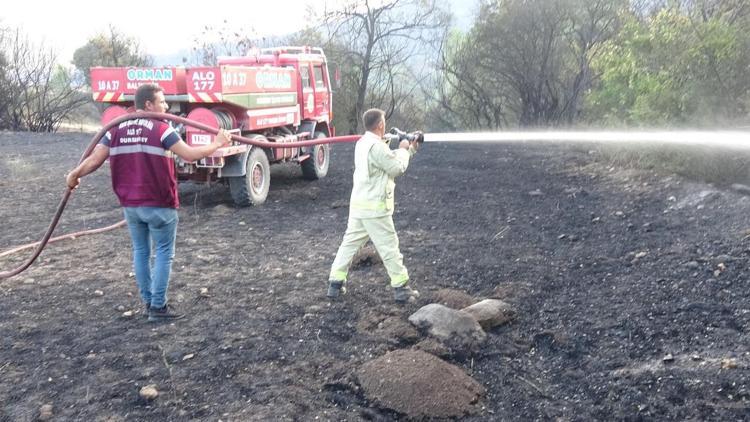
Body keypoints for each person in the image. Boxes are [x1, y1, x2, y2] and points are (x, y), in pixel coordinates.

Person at [66, 83, 231, 322]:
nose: (166, 106)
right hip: (160, 204)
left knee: (141, 251)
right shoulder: (162, 129)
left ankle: (148, 302)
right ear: (148, 104)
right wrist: (218, 142)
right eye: (162, 101)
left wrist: (74, 174)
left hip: (131, 206)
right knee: (164, 252)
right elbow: (190, 155)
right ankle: (158, 307)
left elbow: (94, 160)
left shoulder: (115, 129)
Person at [326, 108, 421, 303]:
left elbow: (382, 159)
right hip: (375, 208)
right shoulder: (376, 147)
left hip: (360, 206)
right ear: (380, 125)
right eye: (384, 121)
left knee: (349, 243)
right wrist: (404, 149)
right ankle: (401, 288)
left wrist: (407, 149)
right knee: (389, 246)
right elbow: (395, 167)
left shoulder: (363, 143)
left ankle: (335, 283)